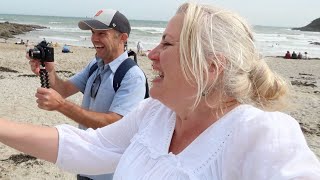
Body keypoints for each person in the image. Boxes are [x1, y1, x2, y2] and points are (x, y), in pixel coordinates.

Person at [1, 2, 320, 179]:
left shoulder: (264, 134)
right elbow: (91, 145)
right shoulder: (155, 113)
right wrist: (50, 74)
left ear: (211, 66)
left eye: (166, 43)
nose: (152, 53)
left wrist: (61, 106)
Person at [26, 9, 147, 180]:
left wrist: (61, 105)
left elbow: (115, 125)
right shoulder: (95, 65)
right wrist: (49, 70)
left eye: (102, 33)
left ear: (123, 38)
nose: (94, 39)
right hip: (85, 166)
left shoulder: (132, 76)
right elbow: (63, 90)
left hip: (110, 174)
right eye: (92, 32)